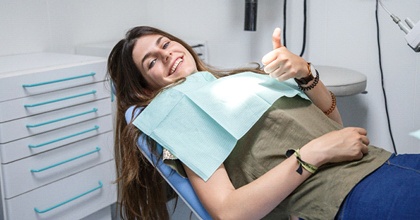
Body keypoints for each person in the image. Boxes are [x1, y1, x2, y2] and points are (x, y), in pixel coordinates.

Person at [107, 26, 420, 220]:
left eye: (165, 44)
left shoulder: (235, 80)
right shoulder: (177, 112)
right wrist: (313, 154)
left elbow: (331, 129)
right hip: (346, 195)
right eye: (151, 61)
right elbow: (228, 212)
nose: (166, 55)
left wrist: (305, 73)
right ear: (145, 87)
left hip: (382, 165)